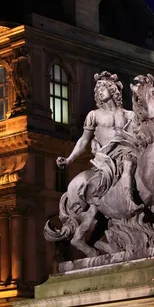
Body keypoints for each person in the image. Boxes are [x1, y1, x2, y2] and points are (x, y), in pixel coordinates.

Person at [56, 71, 142, 218]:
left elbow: (139, 136)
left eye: (102, 88)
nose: (98, 92)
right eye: (97, 90)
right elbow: (84, 139)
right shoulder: (94, 115)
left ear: (112, 89)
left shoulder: (130, 115)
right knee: (127, 163)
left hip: (128, 151)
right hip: (106, 158)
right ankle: (128, 202)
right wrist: (69, 159)